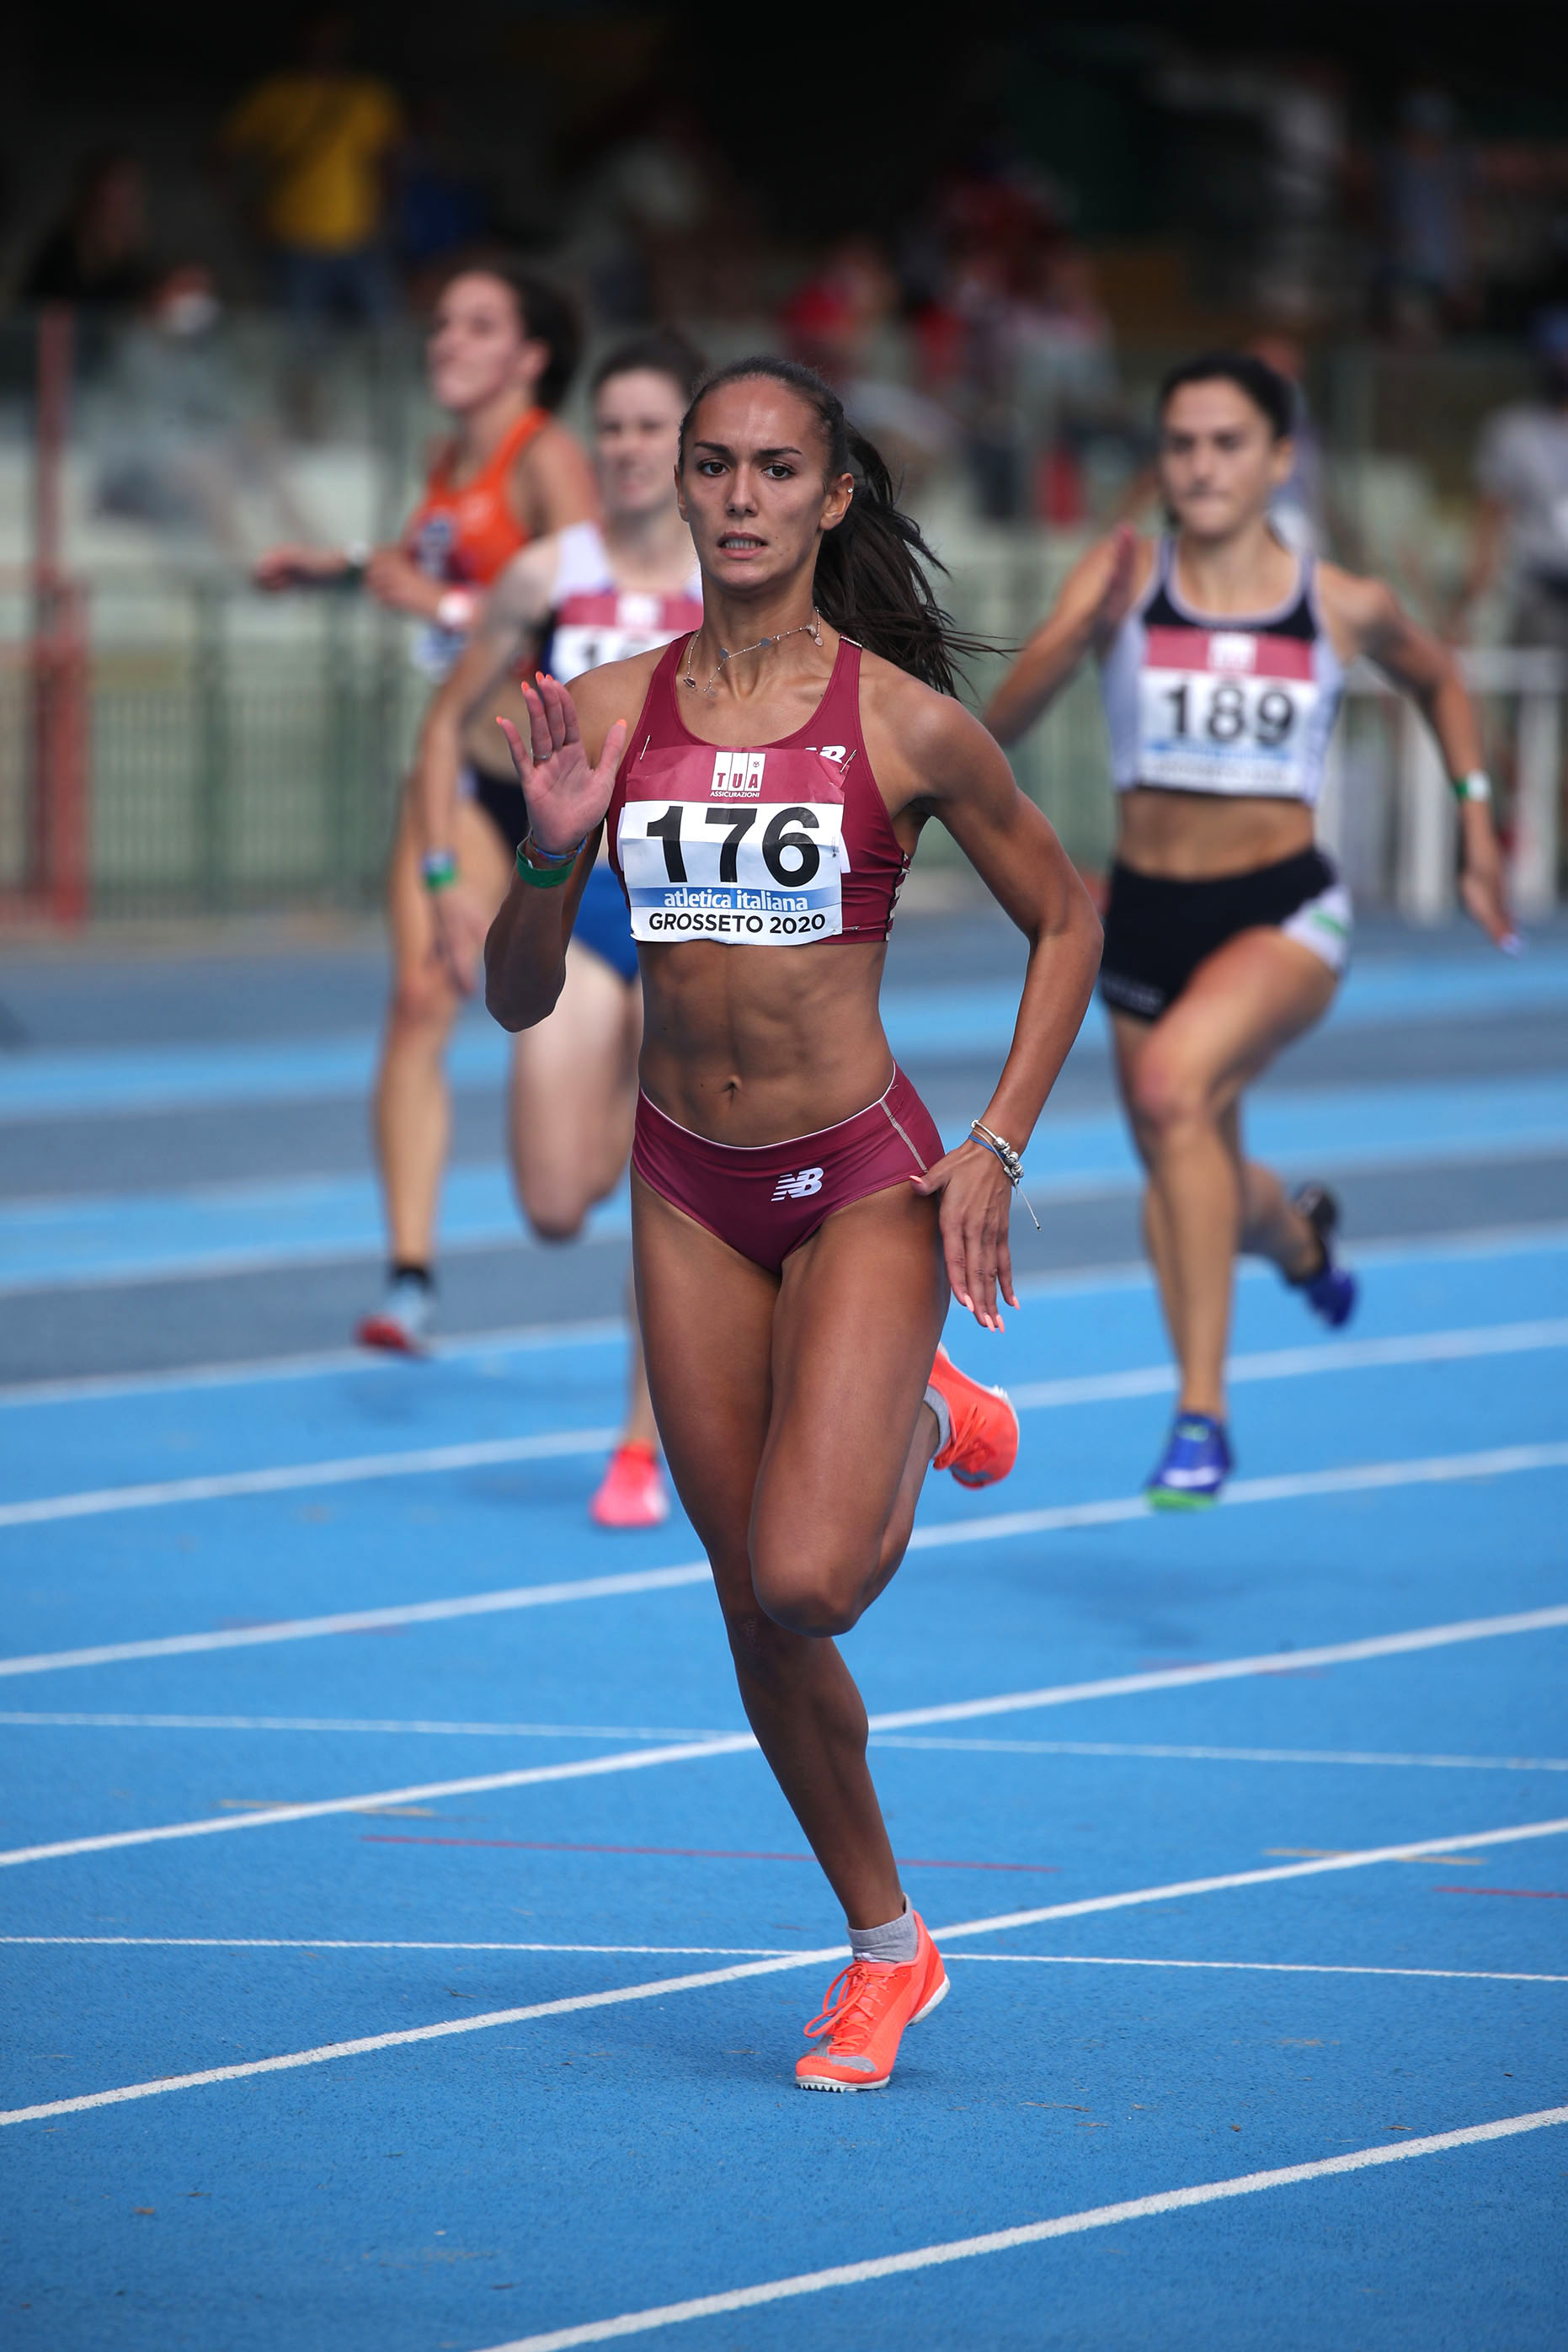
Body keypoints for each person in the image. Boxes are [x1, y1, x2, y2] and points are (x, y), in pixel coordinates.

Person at [483, 356, 1101, 2090]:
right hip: (686, 1181)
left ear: (831, 498)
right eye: (712, 466)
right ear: (679, 487)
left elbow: (1066, 918)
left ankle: (909, 1401)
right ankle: (887, 1947)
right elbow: (520, 999)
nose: (739, 497)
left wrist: (996, 1144)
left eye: (774, 469)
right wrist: (546, 857)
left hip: (859, 1177)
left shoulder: (903, 724)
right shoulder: (606, 712)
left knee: (809, 1570)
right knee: (755, 1608)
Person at [985, 349, 1514, 1510]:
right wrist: (1074, 630)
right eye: (1179, 444)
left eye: (1227, 443)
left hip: (1282, 909)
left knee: (1171, 1091)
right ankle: (1301, 1243)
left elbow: (1440, 682)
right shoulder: (1124, 579)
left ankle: (1200, 1415)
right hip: (1146, 917)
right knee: (1196, 1170)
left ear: (1279, 459)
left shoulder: (1337, 601)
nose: (1201, 465)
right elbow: (998, 727)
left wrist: (1475, 820)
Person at [255, 260, 597, 1344]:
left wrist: (446, 605)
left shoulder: (546, 459)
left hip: (553, 787)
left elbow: (594, 605)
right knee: (417, 997)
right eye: (442, 321)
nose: (446, 339)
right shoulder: (447, 460)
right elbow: (424, 561)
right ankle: (408, 1277)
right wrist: (328, 567)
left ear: (529, 356)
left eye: (477, 325)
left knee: (581, 1034)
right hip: (459, 774)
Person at [410, 333, 707, 1529]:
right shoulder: (545, 575)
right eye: (613, 425)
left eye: (652, 427)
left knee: (662, 1186)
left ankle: (639, 1441)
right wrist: (444, 874)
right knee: (552, 1202)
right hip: (583, 905)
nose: (629, 447)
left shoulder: (737, 579)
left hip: (699, 912)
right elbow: (447, 728)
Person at [220, 13, 403, 328]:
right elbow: (224, 155)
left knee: (384, 330)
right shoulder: (276, 94)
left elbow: (391, 160)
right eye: (317, 39)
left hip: (360, 236)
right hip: (292, 237)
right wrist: (244, 213)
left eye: (333, 39)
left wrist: (386, 214)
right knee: (298, 338)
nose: (324, 47)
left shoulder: (368, 96)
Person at [1463, 307, 1568, 659]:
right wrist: (1473, 599)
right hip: (1539, 591)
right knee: (1534, 682)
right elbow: (1491, 515)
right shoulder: (1513, 431)